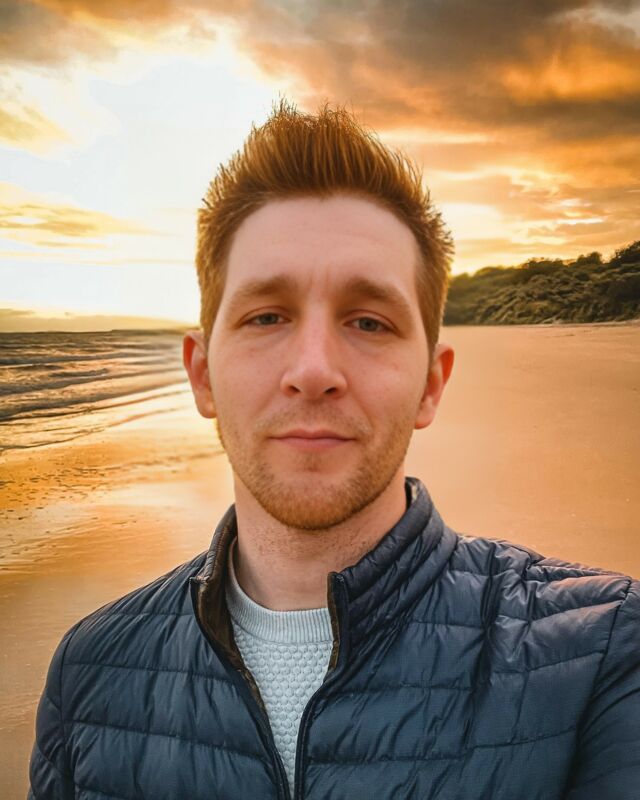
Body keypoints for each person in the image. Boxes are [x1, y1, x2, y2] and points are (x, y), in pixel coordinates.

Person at [28, 101, 639, 800]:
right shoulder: (88, 673)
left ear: (431, 385)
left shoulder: (601, 652)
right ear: (203, 376)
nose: (314, 369)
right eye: (267, 316)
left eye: (368, 322)